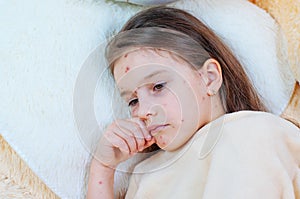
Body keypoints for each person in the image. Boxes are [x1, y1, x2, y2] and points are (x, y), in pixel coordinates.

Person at [87, 6, 300, 199]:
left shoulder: (251, 132)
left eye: (158, 86)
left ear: (209, 78)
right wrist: (103, 168)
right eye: (133, 101)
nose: (142, 111)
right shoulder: (144, 175)